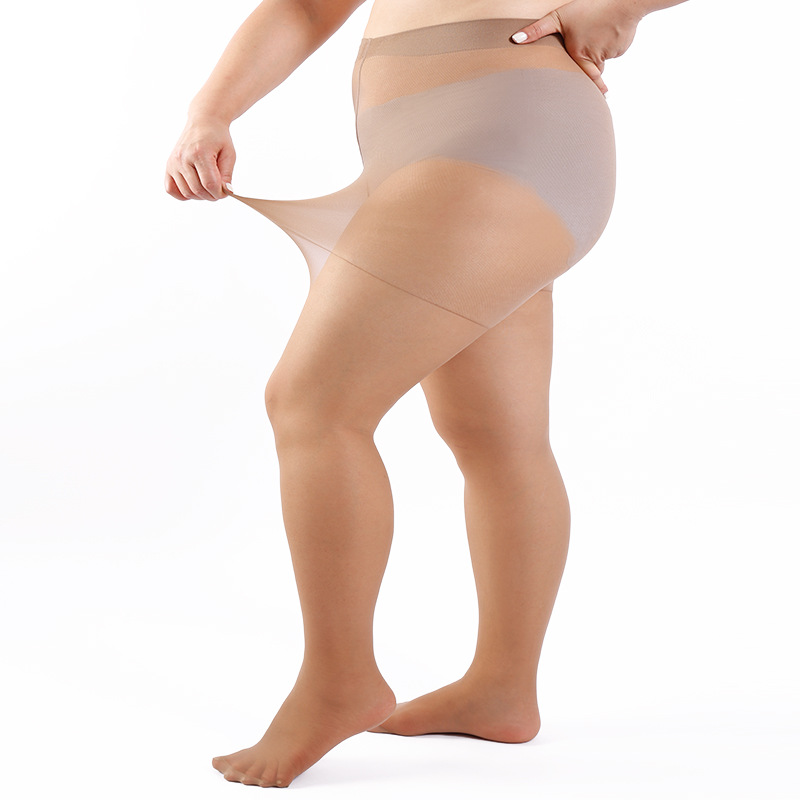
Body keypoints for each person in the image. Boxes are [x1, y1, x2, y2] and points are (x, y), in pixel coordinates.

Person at [165, 0, 688, 789]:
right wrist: (211, 110)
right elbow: (306, 7)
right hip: (450, 139)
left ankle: (339, 680)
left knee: (314, 406)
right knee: (493, 434)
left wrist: (618, 5)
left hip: (501, 126)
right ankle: (501, 690)